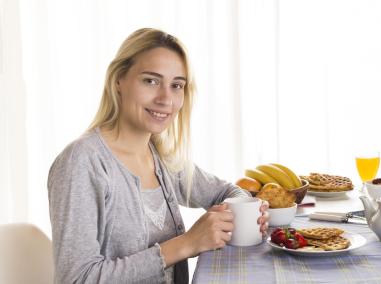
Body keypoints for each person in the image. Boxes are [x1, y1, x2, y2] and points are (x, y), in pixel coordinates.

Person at [47, 28, 269, 284]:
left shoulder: (161, 157)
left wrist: (244, 214)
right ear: (119, 80)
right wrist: (186, 243)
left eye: (177, 86)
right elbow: (76, 279)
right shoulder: (82, 162)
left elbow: (228, 192)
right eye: (151, 81)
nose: (166, 99)